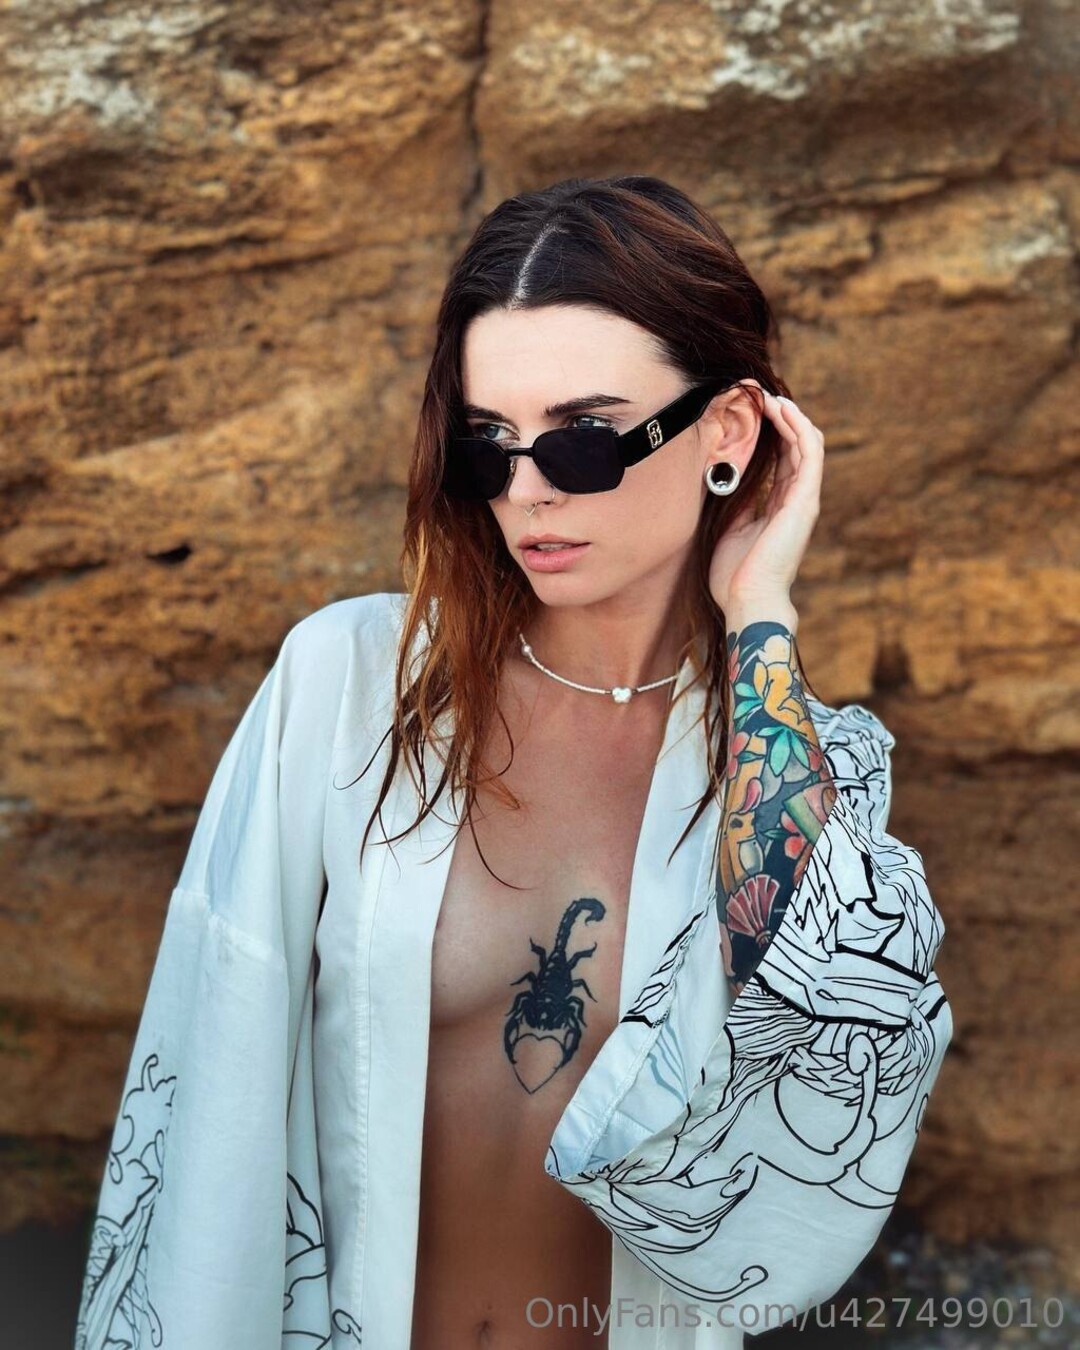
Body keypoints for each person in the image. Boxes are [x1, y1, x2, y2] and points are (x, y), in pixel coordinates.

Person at [75, 176, 952, 1350]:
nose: (529, 489)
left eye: (583, 439)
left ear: (727, 432)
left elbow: (821, 1032)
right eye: (491, 444)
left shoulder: (784, 766)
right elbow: (203, 1089)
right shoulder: (350, 690)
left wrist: (762, 612)